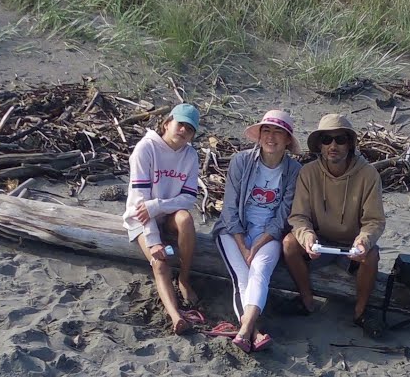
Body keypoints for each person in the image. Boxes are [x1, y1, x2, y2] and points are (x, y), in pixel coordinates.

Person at [283, 113, 386, 336]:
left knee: (372, 255)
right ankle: (307, 300)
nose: (333, 145)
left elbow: (374, 221)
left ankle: (360, 313)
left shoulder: (368, 175)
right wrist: (306, 236)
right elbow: (299, 216)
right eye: (327, 140)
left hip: (351, 245)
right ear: (319, 145)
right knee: (289, 243)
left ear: (349, 143)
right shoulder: (308, 173)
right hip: (320, 242)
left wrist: (363, 241)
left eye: (340, 139)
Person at [213, 109, 303, 353]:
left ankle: (243, 331)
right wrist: (243, 245)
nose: (271, 137)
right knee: (242, 277)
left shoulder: (294, 171)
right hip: (234, 232)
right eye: (267, 130)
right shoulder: (241, 161)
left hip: (269, 234)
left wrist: (259, 243)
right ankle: (254, 332)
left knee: (260, 271)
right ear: (260, 134)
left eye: (278, 132)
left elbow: (284, 215)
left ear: (287, 139)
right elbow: (229, 209)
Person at [123, 103, 203, 335]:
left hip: (165, 213)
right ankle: (176, 316)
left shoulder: (190, 155)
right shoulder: (145, 149)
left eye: (190, 129)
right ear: (167, 123)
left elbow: (188, 198)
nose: (184, 131)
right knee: (159, 263)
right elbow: (140, 203)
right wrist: (153, 240)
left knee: (185, 219)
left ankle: (185, 279)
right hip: (140, 218)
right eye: (180, 125)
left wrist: (158, 205)